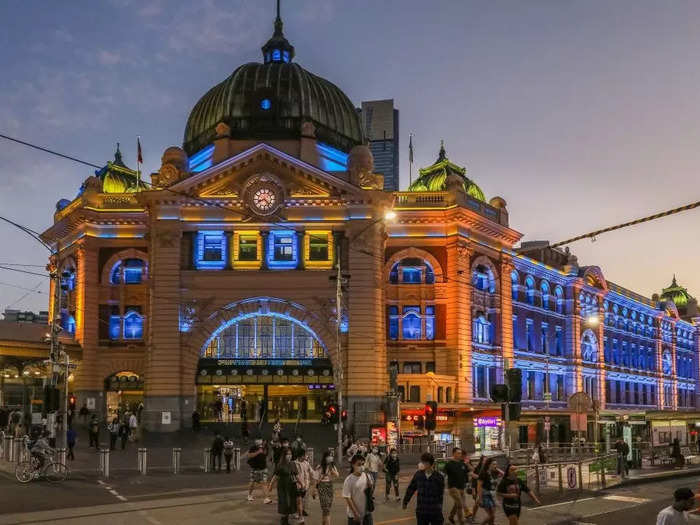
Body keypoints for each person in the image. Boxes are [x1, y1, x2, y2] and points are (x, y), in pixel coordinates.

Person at [403, 452, 445, 525]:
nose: (421, 464)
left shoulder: (438, 477)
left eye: (423, 462)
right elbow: (411, 488)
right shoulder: (418, 475)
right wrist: (405, 501)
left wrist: (439, 508)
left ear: (428, 463)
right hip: (421, 510)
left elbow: (440, 494)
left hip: (435, 511)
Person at [269, 448, 298, 525]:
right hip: (282, 486)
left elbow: (295, 475)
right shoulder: (280, 465)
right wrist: (271, 485)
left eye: (290, 454)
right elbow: (275, 476)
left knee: (291, 502)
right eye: (288, 454)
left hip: (291, 485)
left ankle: (286, 519)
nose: (289, 456)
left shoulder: (293, 464)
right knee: (285, 502)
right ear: (284, 455)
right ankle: (284, 520)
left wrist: (301, 484)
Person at [443, 447, 472, 524]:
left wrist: (479, 477)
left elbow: (470, 472)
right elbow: (443, 474)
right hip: (452, 487)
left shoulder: (462, 464)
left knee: (457, 504)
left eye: (460, 453)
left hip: (461, 488)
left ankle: (451, 516)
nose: (460, 455)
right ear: (454, 454)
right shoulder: (449, 464)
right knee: (459, 504)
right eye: (458, 453)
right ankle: (461, 522)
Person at [343, 454, 374, 525]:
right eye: (359, 464)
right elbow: (348, 498)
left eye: (363, 464)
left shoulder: (367, 476)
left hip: (367, 513)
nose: (361, 467)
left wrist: (370, 487)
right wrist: (355, 513)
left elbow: (370, 493)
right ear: (353, 465)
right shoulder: (349, 480)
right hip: (354, 515)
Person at [313, 450, 339, 525]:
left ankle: (323, 523)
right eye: (328, 456)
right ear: (325, 457)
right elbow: (315, 479)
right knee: (326, 509)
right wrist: (314, 490)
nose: (330, 457)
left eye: (331, 456)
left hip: (330, 487)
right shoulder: (319, 467)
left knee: (327, 509)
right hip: (322, 487)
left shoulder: (333, 466)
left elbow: (337, 475)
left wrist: (332, 470)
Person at [477, 458, 500, 525]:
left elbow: (504, 475)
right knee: (491, 515)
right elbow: (479, 486)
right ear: (489, 465)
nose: (495, 466)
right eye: (493, 464)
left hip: (493, 495)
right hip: (485, 495)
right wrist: (480, 498)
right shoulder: (483, 473)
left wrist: (498, 470)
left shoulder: (495, 472)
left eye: (496, 464)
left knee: (493, 516)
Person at [247, 438, 271, 502]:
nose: (263, 442)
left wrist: (263, 449)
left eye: (264, 441)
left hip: (263, 468)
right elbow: (249, 455)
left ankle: (266, 498)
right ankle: (249, 495)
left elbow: (265, 454)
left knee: (264, 483)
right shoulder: (253, 447)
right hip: (255, 468)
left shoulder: (265, 448)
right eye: (261, 441)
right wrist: (258, 452)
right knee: (252, 482)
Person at [294, 449, 314, 522]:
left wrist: (317, 473)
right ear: (301, 456)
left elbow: (311, 472)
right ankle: (299, 514)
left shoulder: (306, 463)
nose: (305, 456)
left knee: (304, 500)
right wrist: (300, 484)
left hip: (306, 485)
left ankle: (301, 511)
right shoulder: (295, 463)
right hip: (298, 485)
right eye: (304, 455)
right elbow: (295, 476)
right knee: (299, 501)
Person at [470, 456, 485, 520]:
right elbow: (473, 479)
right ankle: (473, 516)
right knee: (477, 503)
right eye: (484, 460)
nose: (485, 462)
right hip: (477, 488)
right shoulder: (477, 468)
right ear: (481, 461)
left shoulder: (487, 468)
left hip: (485, 488)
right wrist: (473, 490)